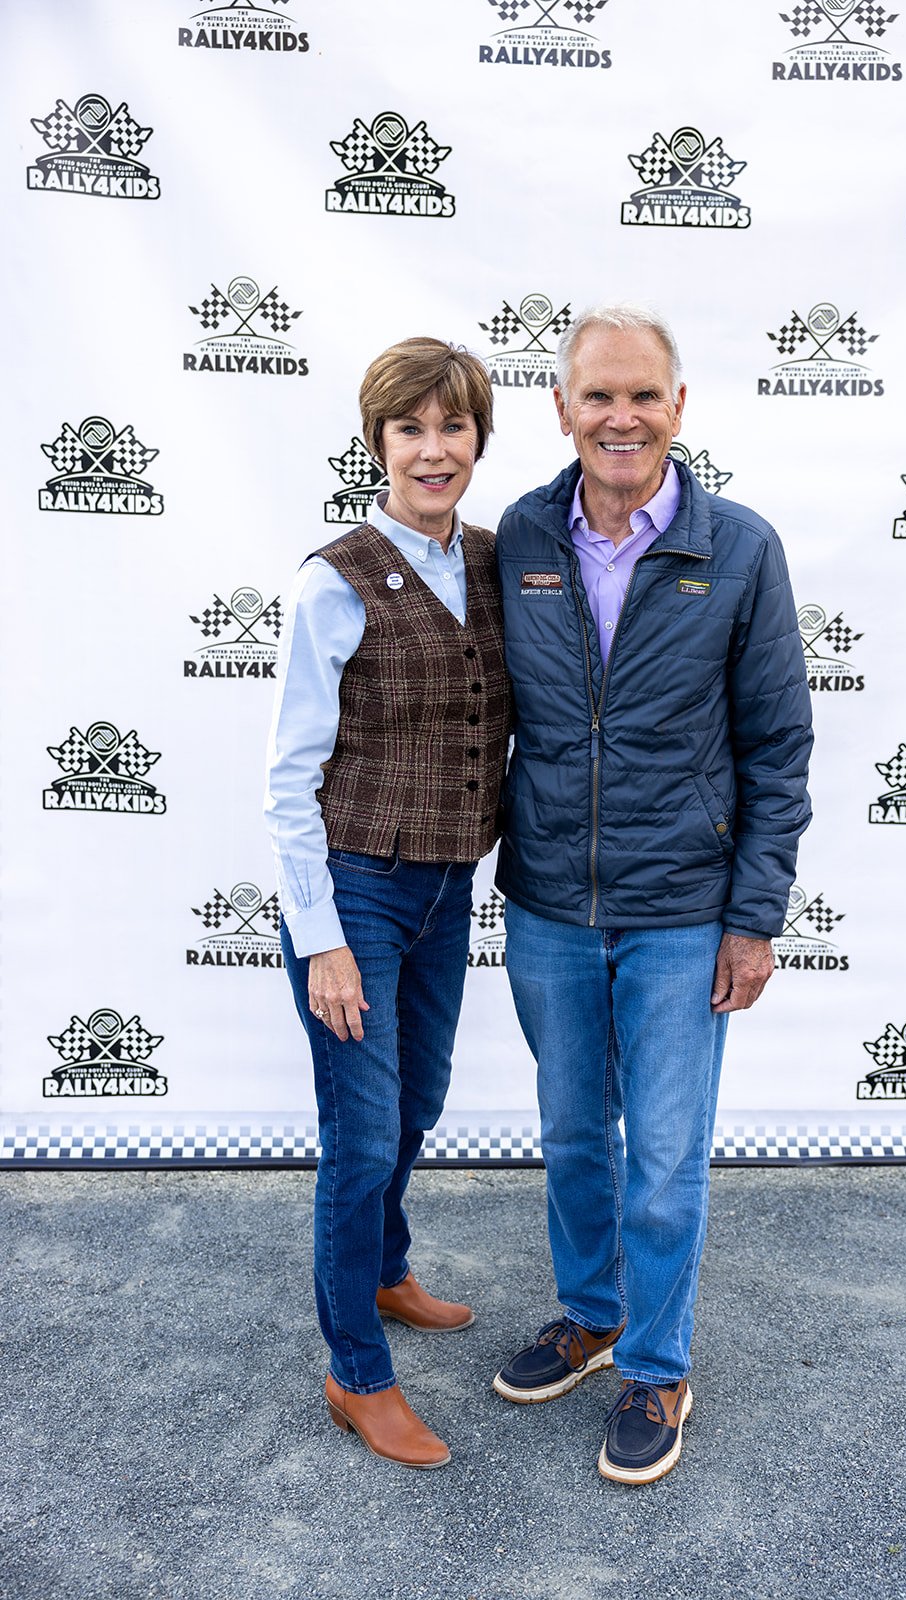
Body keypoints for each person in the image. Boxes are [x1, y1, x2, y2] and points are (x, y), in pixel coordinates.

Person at [491, 304, 813, 1484]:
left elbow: (777, 747)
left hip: (684, 909)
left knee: (665, 1154)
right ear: (562, 408)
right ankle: (591, 1314)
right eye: (596, 396)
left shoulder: (741, 550)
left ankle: (660, 1363)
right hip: (547, 905)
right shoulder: (520, 533)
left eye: (641, 395)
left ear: (679, 407)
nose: (618, 417)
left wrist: (753, 914)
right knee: (577, 1133)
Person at [265, 337, 510, 1469]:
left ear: (476, 441)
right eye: (409, 429)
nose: (432, 449)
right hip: (355, 889)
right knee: (360, 1138)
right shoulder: (336, 577)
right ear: (377, 444)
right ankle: (355, 1371)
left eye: (451, 427)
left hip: (446, 884)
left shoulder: (502, 563)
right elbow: (289, 775)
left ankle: (383, 1265)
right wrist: (319, 940)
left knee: (417, 1104)